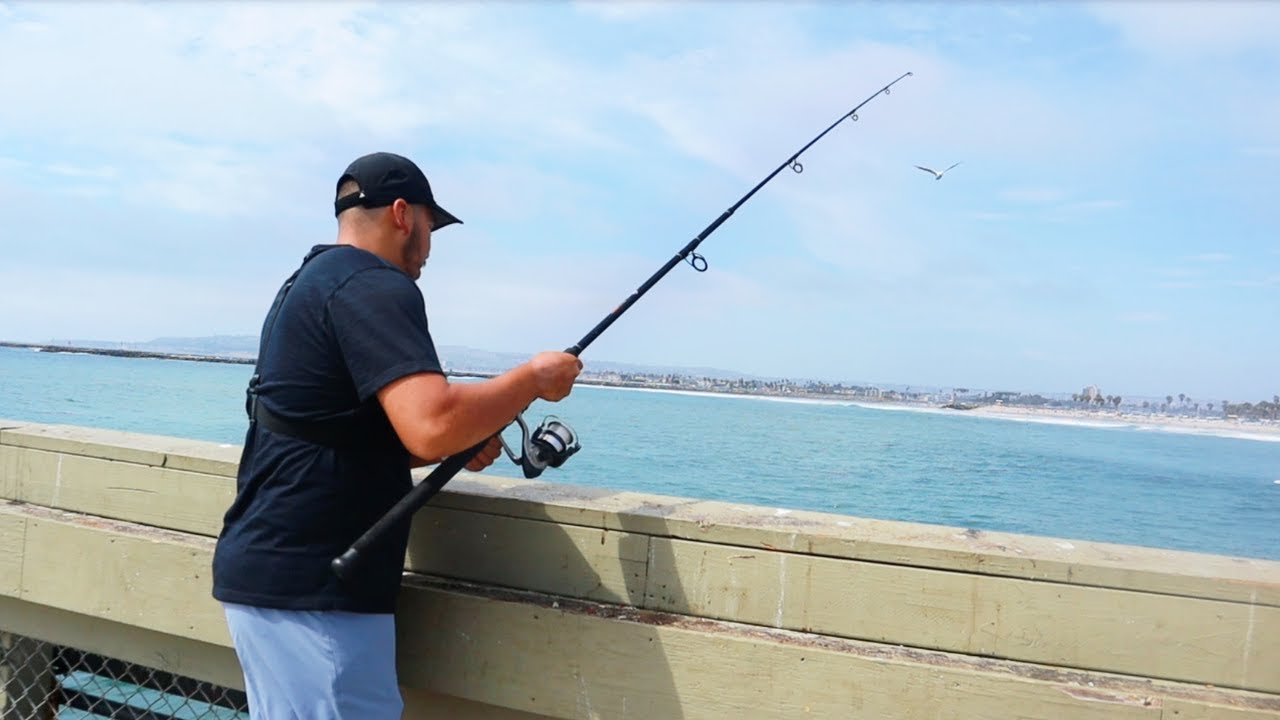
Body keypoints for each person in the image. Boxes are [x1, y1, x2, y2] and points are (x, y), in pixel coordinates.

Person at [211, 151, 582, 719]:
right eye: (432, 228)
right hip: (317, 592)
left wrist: (462, 436)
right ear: (404, 214)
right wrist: (532, 378)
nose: (430, 249)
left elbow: (329, 434)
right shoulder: (375, 285)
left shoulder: (308, 282)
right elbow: (432, 424)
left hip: (271, 574)